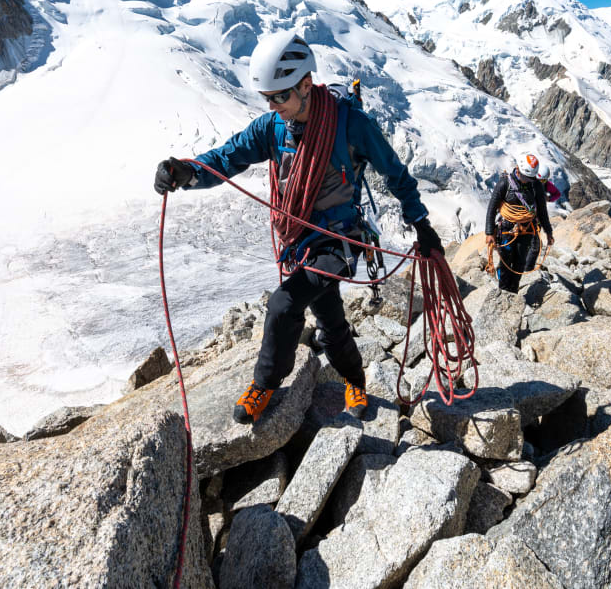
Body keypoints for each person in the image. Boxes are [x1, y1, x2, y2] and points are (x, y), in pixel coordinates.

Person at [154, 29, 442, 425]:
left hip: (339, 241)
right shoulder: (273, 128)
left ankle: (266, 384)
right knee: (328, 316)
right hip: (299, 240)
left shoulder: (350, 124)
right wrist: (186, 172)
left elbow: (395, 174)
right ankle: (355, 378)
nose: (274, 105)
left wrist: (421, 223)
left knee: (284, 303)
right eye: (267, 98)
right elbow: (226, 158)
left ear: (306, 84)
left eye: (280, 96)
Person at [485, 152, 555, 294]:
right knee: (505, 262)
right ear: (518, 170)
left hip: (526, 230)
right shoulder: (504, 183)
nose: (529, 180)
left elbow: (542, 212)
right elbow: (492, 208)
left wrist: (549, 232)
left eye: (531, 177)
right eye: (527, 177)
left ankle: (514, 291)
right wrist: (489, 232)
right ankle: (503, 293)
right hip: (506, 229)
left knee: (520, 262)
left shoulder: (536, 186)